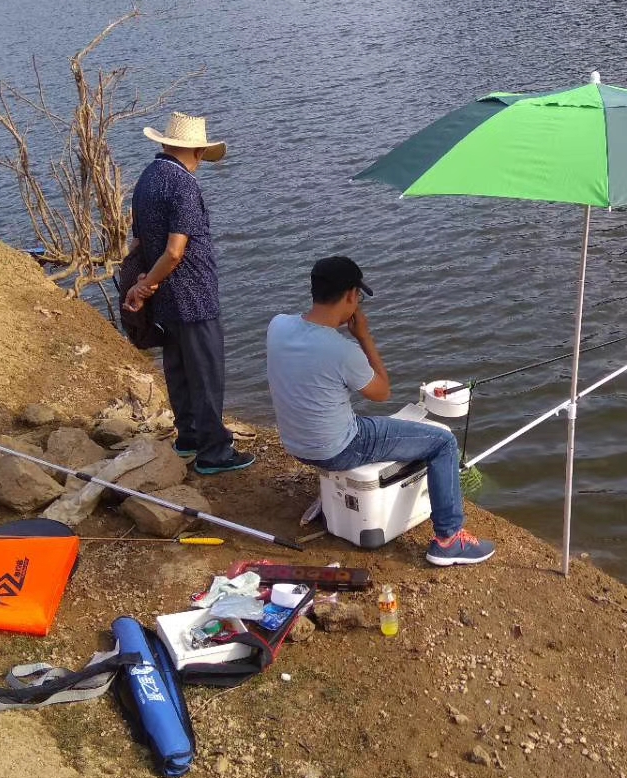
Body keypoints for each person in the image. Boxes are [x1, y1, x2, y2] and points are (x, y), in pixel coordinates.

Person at [266, 256, 494, 567]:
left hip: (296, 445)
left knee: (356, 420)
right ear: (350, 296)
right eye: (358, 296)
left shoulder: (277, 325)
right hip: (339, 448)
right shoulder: (343, 351)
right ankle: (449, 539)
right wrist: (363, 336)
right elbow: (382, 392)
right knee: (443, 442)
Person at [123, 111, 253, 476]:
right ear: (196, 150)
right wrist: (145, 286)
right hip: (194, 294)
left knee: (178, 367)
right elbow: (176, 250)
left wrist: (142, 286)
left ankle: (188, 438)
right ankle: (214, 451)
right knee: (208, 372)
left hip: (165, 299)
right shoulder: (183, 185)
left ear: (165, 143)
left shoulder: (147, 179)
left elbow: (138, 243)